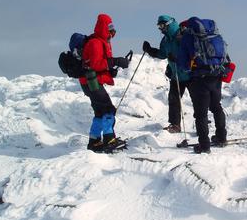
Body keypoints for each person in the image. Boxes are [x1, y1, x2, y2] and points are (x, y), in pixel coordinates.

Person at [79, 13, 130, 152]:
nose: (112, 31)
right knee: (108, 109)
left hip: (89, 82)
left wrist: (110, 70)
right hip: (92, 82)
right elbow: (95, 64)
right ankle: (109, 139)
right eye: (110, 28)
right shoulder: (96, 43)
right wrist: (116, 61)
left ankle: (94, 141)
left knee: (100, 112)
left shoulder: (101, 41)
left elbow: (98, 64)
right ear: (104, 28)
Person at [177, 17, 228, 154]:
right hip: (217, 75)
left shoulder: (188, 38)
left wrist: (186, 68)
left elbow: (183, 63)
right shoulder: (214, 35)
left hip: (199, 78)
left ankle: (204, 145)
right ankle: (222, 138)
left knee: (201, 114)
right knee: (216, 107)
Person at [142, 15, 190, 133]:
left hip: (189, 74)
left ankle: (201, 124)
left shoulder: (182, 35)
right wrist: (150, 50)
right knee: (173, 99)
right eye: (159, 26)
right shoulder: (166, 40)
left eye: (162, 25)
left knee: (197, 101)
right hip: (176, 75)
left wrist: (178, 58)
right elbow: (162, 54)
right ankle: (175, 125)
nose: (160, 28)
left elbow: (191, 53)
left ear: (169, 24)